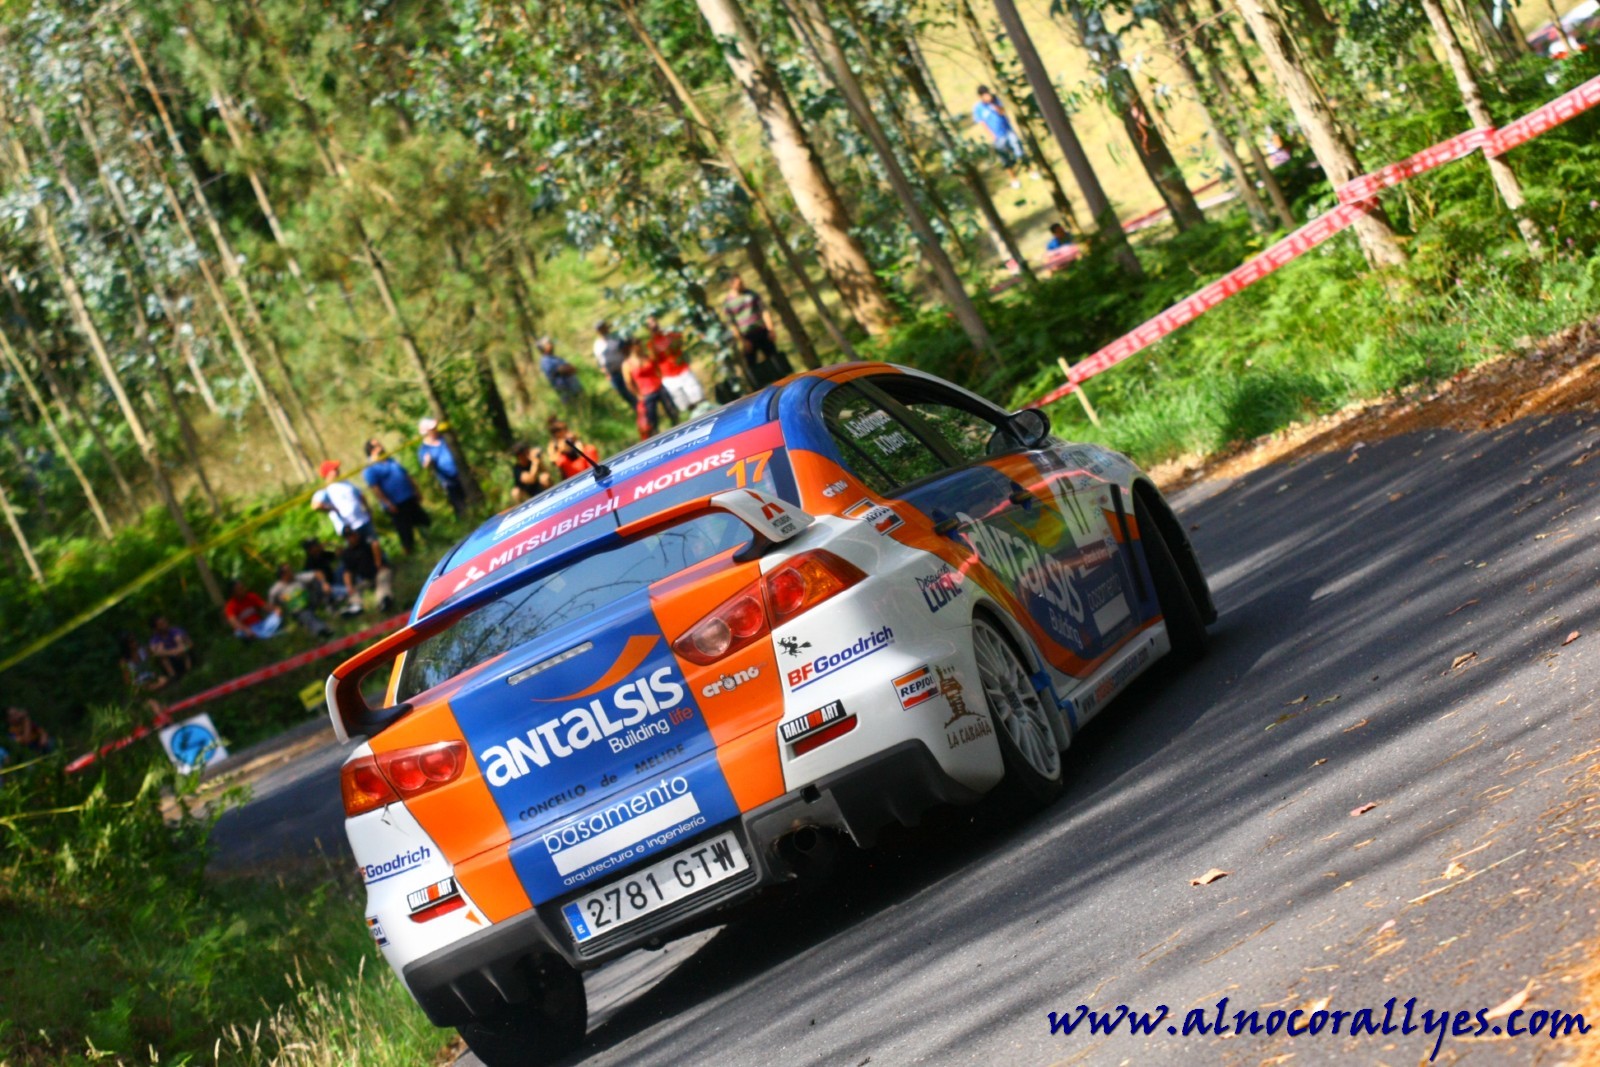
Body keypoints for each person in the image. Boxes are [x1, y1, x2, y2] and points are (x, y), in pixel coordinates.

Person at [722, 276, 792, 388]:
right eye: (739, 284)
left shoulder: (751, 294)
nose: (742, 285)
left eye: (742, 282)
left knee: (775, 360)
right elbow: (732, 324)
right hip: (747, 337)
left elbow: (764, 311)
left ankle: (784, 384)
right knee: (753, 368)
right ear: (732, 285)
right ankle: (760, 389)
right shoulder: (728, 303)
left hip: (762, 331)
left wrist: (770, 329)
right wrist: (742, 341)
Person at [362, 439, 430, 554]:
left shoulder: (390, 460)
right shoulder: (370, 468)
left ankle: (431, 542)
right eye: (377, 445)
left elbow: (405, 474)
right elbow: (375, 488)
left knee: (423, 520)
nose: (381, 446)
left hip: (409, 497)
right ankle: (410, 553)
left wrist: (416, 489)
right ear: (371, 450)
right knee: (404, 530)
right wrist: (388, 503)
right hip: (396, 504)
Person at [646, 315, 706, 415]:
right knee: (685, 404)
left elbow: (680, 343)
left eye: (654, 321)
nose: (653, 325)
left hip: (682, 370)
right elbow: (654, 359)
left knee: (698, 397)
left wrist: (668, 338)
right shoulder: (651, 344)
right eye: (650, 324)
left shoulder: (670, 334)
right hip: (669, 376)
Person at [622, 338, 677, 440]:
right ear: (631, 347)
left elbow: (657, 368)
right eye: (637, 344)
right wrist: (637, 394)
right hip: (646, 393)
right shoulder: (627, 364)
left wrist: (660, 379)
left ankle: (677, 427)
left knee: (671, 410)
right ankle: (656, 438)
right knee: (651, 420)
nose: (640, 346)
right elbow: (629, 383)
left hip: (658, 387)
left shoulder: (647, 357)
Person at [973, 86, 1028, 188]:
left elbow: (1002, 112)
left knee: (1019, 150)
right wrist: (991, 135)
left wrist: (993, 104)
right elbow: (983, 123)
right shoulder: (978, 108)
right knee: (1005, 159)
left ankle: (1030, 169)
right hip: (997, 137)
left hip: (1007, 131)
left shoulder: (995, 100)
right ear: (981, 96)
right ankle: (1013, 178)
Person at [417, 418, 468, 519]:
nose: (435, 429)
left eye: (435, 427)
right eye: (432, 429)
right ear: (426, 432)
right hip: (449, 482)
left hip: (462, 475)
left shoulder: (444, 438)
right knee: (461, 506)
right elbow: (425, 465)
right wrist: (428, 462)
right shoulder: (424, 449)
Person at [311, 460, 375, 539]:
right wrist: (332, 509)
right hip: (349, 527)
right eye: (334, 469)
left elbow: (360, 495)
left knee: (374, 543)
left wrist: (368, 509)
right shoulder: (326, 490)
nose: (337, 471)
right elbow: (316, 505)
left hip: (363, 520)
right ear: (327, 473)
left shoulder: (346, 482)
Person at [340, 528, 395, 614]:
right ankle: (356, 606)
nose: (351, 538)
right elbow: (347, 572)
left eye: (351, 535)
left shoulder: (365, 542)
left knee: (382, 580)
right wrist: (349, 586)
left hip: (380, 571)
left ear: (355, 534)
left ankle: (384, 600)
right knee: (354, 590)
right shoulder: (347, 553)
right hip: (366, 579)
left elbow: (375, 544)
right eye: (348, 537)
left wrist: (378, 563)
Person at [269, 563, 333, 636]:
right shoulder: (275, 590)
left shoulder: (298, 577)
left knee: (317, 582)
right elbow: (271, 604)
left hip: (310, 600)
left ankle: (331, 605)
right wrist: (277, 608)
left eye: (291, 569)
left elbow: (317, 573)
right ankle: (322, 630)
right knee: (306, 616)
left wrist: (324, 583)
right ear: (283, 575)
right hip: (297, 609)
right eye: (288, 570)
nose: (291, 571)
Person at [592, 321, 634, 407]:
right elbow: (599, 360)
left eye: (602, 328)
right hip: (613, 375)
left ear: (606, 328)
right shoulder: (597, 345)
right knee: (624, 394)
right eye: (599, 329)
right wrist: (605, 372)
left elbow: (626, 351)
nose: (601, 330)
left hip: (623, 370)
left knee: (632, 390)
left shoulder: (616, 338)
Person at [537, 336, 583, 406]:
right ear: (543, 348)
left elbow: (569, 367)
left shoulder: (555, 358)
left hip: (574, 390)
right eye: (548, 343)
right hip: (568, 394)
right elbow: (563, 369)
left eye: (550, 342)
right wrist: (570, 368)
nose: (551, 344)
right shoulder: (545, 361)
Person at [147, 614, 195, 679]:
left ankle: (190, 672)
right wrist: (173, 652)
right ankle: (173, 677)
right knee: (162, 655)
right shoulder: (155, 639)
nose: (165, 624)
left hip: (182, 654)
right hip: (171, 660)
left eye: (165, 621)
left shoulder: (176, 630)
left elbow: (190, 644)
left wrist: (182, 649)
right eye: (161, 624)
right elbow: (156, 653)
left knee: (179, 641)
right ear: (156, 628)